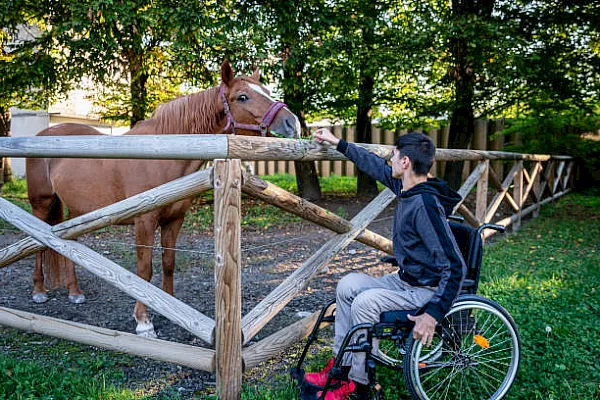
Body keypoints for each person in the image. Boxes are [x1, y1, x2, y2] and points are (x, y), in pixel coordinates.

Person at [305, 128, 466, 400]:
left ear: (405, 162)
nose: (389, 160)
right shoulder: (407, 187)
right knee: (347, 285)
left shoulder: (425, 203)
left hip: (426, 290)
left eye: (393, 156)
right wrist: (338, 143)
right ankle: (341, 367)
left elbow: (455, 266)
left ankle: (358, 383)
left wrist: (433, 314)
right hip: (405, 280)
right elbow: (373, 165)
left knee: (365, 303)